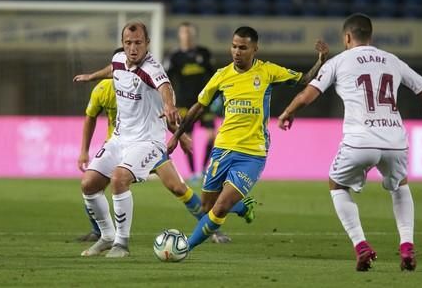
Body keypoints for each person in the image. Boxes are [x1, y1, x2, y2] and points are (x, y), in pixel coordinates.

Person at [278, 13, 422, 272]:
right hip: (395, 141)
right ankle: (407, 245)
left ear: (346, 37)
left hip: (360, 141)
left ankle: (361, 245)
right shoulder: (392, 60)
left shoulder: (339, 61)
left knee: (336, 185)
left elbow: (308, 95)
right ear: (371, 37)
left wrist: (288, 111)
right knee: (400, 186)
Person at [70, 22, 239, 258]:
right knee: (88, 184)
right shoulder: (119, 60)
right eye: (128, 43)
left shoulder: (152, 68)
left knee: (122, 180)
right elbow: (112, 68)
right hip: (120, 139)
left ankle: (122, 243)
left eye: (138, 43)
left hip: (147, 143)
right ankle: (106, 236)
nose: (133, 48)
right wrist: (91, 76)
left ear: (147, 44)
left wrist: (170, 107)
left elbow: (165, 86)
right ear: (122, 44)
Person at [167, 26, 329, 251]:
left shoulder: (268, 71)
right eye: (234, 46)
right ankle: (243, 207)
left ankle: (183, 248)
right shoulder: (222, 75)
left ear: (255, 49)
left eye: (243, 48)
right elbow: (198, 107)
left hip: (252, 153)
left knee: (221, 206)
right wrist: (177, 135)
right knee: (207, 207)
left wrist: (320, 61)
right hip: (222, 148)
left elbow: (305, 79)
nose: (237, 51)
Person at [163, 22, 216, 180]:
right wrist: (169, 102)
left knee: (212, 136)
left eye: (190, 33)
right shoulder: (174, 57)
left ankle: (204, 170)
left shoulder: (204, 53)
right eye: (184, 33)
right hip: (184, 103)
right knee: (187, 137)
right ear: (179, 35)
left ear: (194, 35)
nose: (187, 35)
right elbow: (166, 80)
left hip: (204, 102)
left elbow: (214, 77)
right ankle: (193, 173)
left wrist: (217, 96)